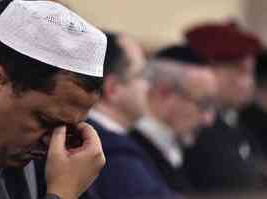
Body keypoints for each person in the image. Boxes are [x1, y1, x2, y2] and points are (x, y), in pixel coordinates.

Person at [0, 1, 107, 199]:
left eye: (68, 131)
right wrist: (62, 194)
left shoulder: (22, 140)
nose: (54, 144)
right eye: (47, 122)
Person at [87, 31, 177, 199]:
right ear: (113, 88)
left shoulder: (118, 140)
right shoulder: (106, 149)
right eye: (142, 75)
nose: (149, 86)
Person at [183, 22, 266, 192]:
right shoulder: (195, 124)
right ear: (211, 70)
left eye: (251, 73)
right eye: (242, 71)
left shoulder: (243, 120)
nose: (249, 82)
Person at [130, 57, 217, 193]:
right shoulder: (132, 155)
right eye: (203, 104)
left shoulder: (183, 152)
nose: (208, 119)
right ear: (164, 93)